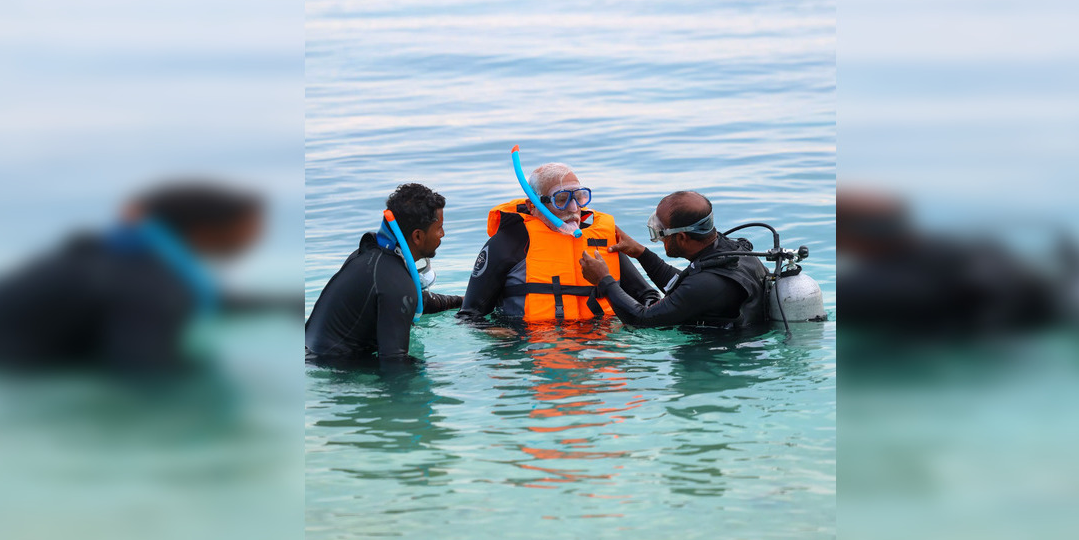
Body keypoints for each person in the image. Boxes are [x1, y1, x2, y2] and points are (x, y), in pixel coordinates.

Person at [0, 181, 286, 373]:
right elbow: (143, 374)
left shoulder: (125, 255)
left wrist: (276, 304)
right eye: (250, 229)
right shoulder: (149, 283)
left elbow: (187, 298)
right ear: (209, 230)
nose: (256, 239)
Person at [461, 162, 658, 321]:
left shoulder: (601, 241)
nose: (573, 208)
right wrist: (496, 333)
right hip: (530, 352)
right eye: (561, 199)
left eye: (580, 197)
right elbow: (469, 315)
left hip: (598, 351)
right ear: (532, 206)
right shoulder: (507, 243)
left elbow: (649, 297)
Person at [306, 183, 462, 366]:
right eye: (439, 228)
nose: (443, 234)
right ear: (418, 236)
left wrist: (460, 301)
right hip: (330, 369)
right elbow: (394, 365)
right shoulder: (397, 283)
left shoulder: (370, 258)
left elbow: (413, 300)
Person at [579, 190, 768, 329]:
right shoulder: (735, 252)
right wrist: (641, 253)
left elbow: (642, 320)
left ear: (682, 237)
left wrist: (604, 281)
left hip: (720, 361)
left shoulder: (705, 284)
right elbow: (682, 287)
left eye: (661, 233)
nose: (660, 239)